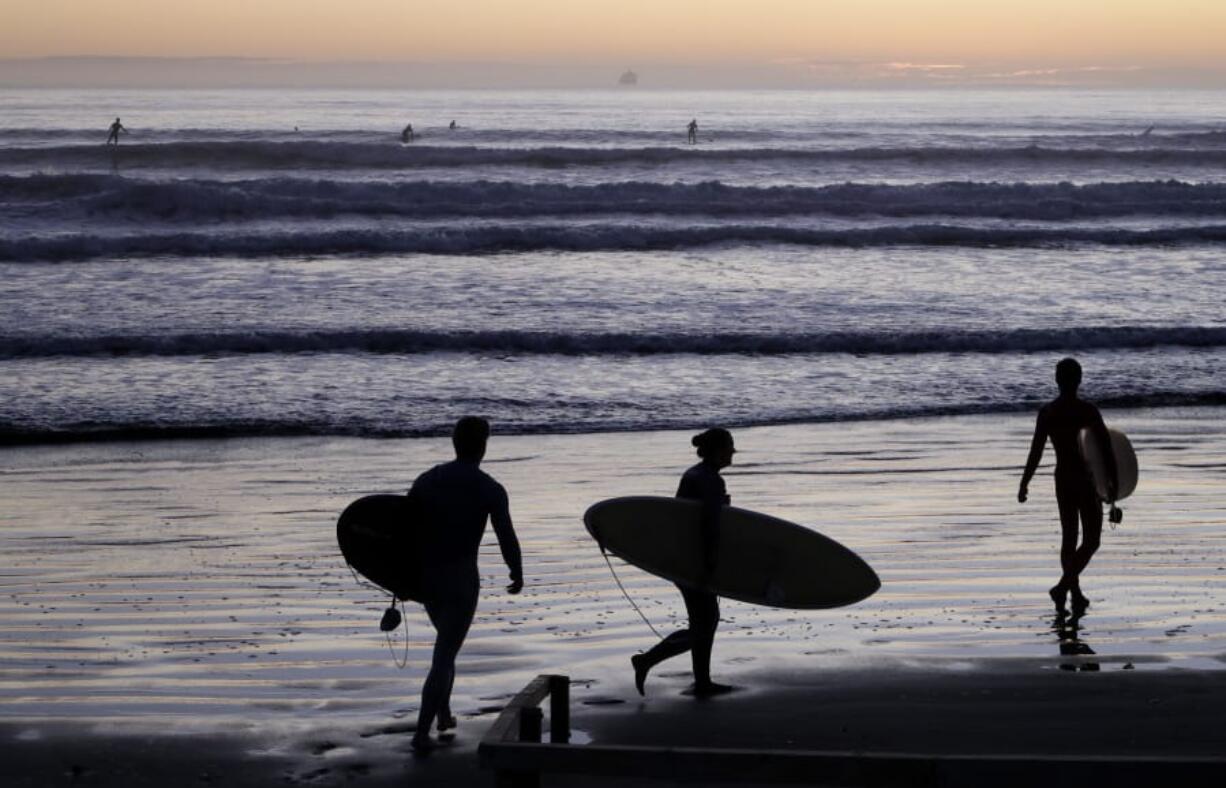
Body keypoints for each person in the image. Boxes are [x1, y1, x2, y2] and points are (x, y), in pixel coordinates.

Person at [406, 416, 523, 753]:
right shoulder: (489, 488)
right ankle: (420, 732)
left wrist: (400, 576)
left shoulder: (428, 480)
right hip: (461, 579)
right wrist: (516, 570)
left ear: (454, 443)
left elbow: (404, 529)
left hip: (427, 578)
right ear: (483, 446)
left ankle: (443, 714)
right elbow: (506, 536)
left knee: (447, 647)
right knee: (443, 655)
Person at [631, 428, 736, 698]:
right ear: (717, 450)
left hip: (681, 559)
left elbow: (683, 521)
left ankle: (702, 681)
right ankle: (647, 661)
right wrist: (710, 564)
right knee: (705, 623)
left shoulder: (694, 475)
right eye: (729, 447)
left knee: (703, 621)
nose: (732, 452)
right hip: (695, 561)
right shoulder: (710, 481)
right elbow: (709, 526)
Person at [1018, 358, 1117, 614]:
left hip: (1063, 478)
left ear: (1056, 380)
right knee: (1092, 540)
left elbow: (1036, 451)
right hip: (1085, 479)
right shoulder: (1088, 411)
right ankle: (1064, 587)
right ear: (1080, 379)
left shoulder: (1048, 412)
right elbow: (1106, 449)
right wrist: (1113, 482)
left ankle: (1074, 591)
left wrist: (1024, 482)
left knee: (1069, 538)